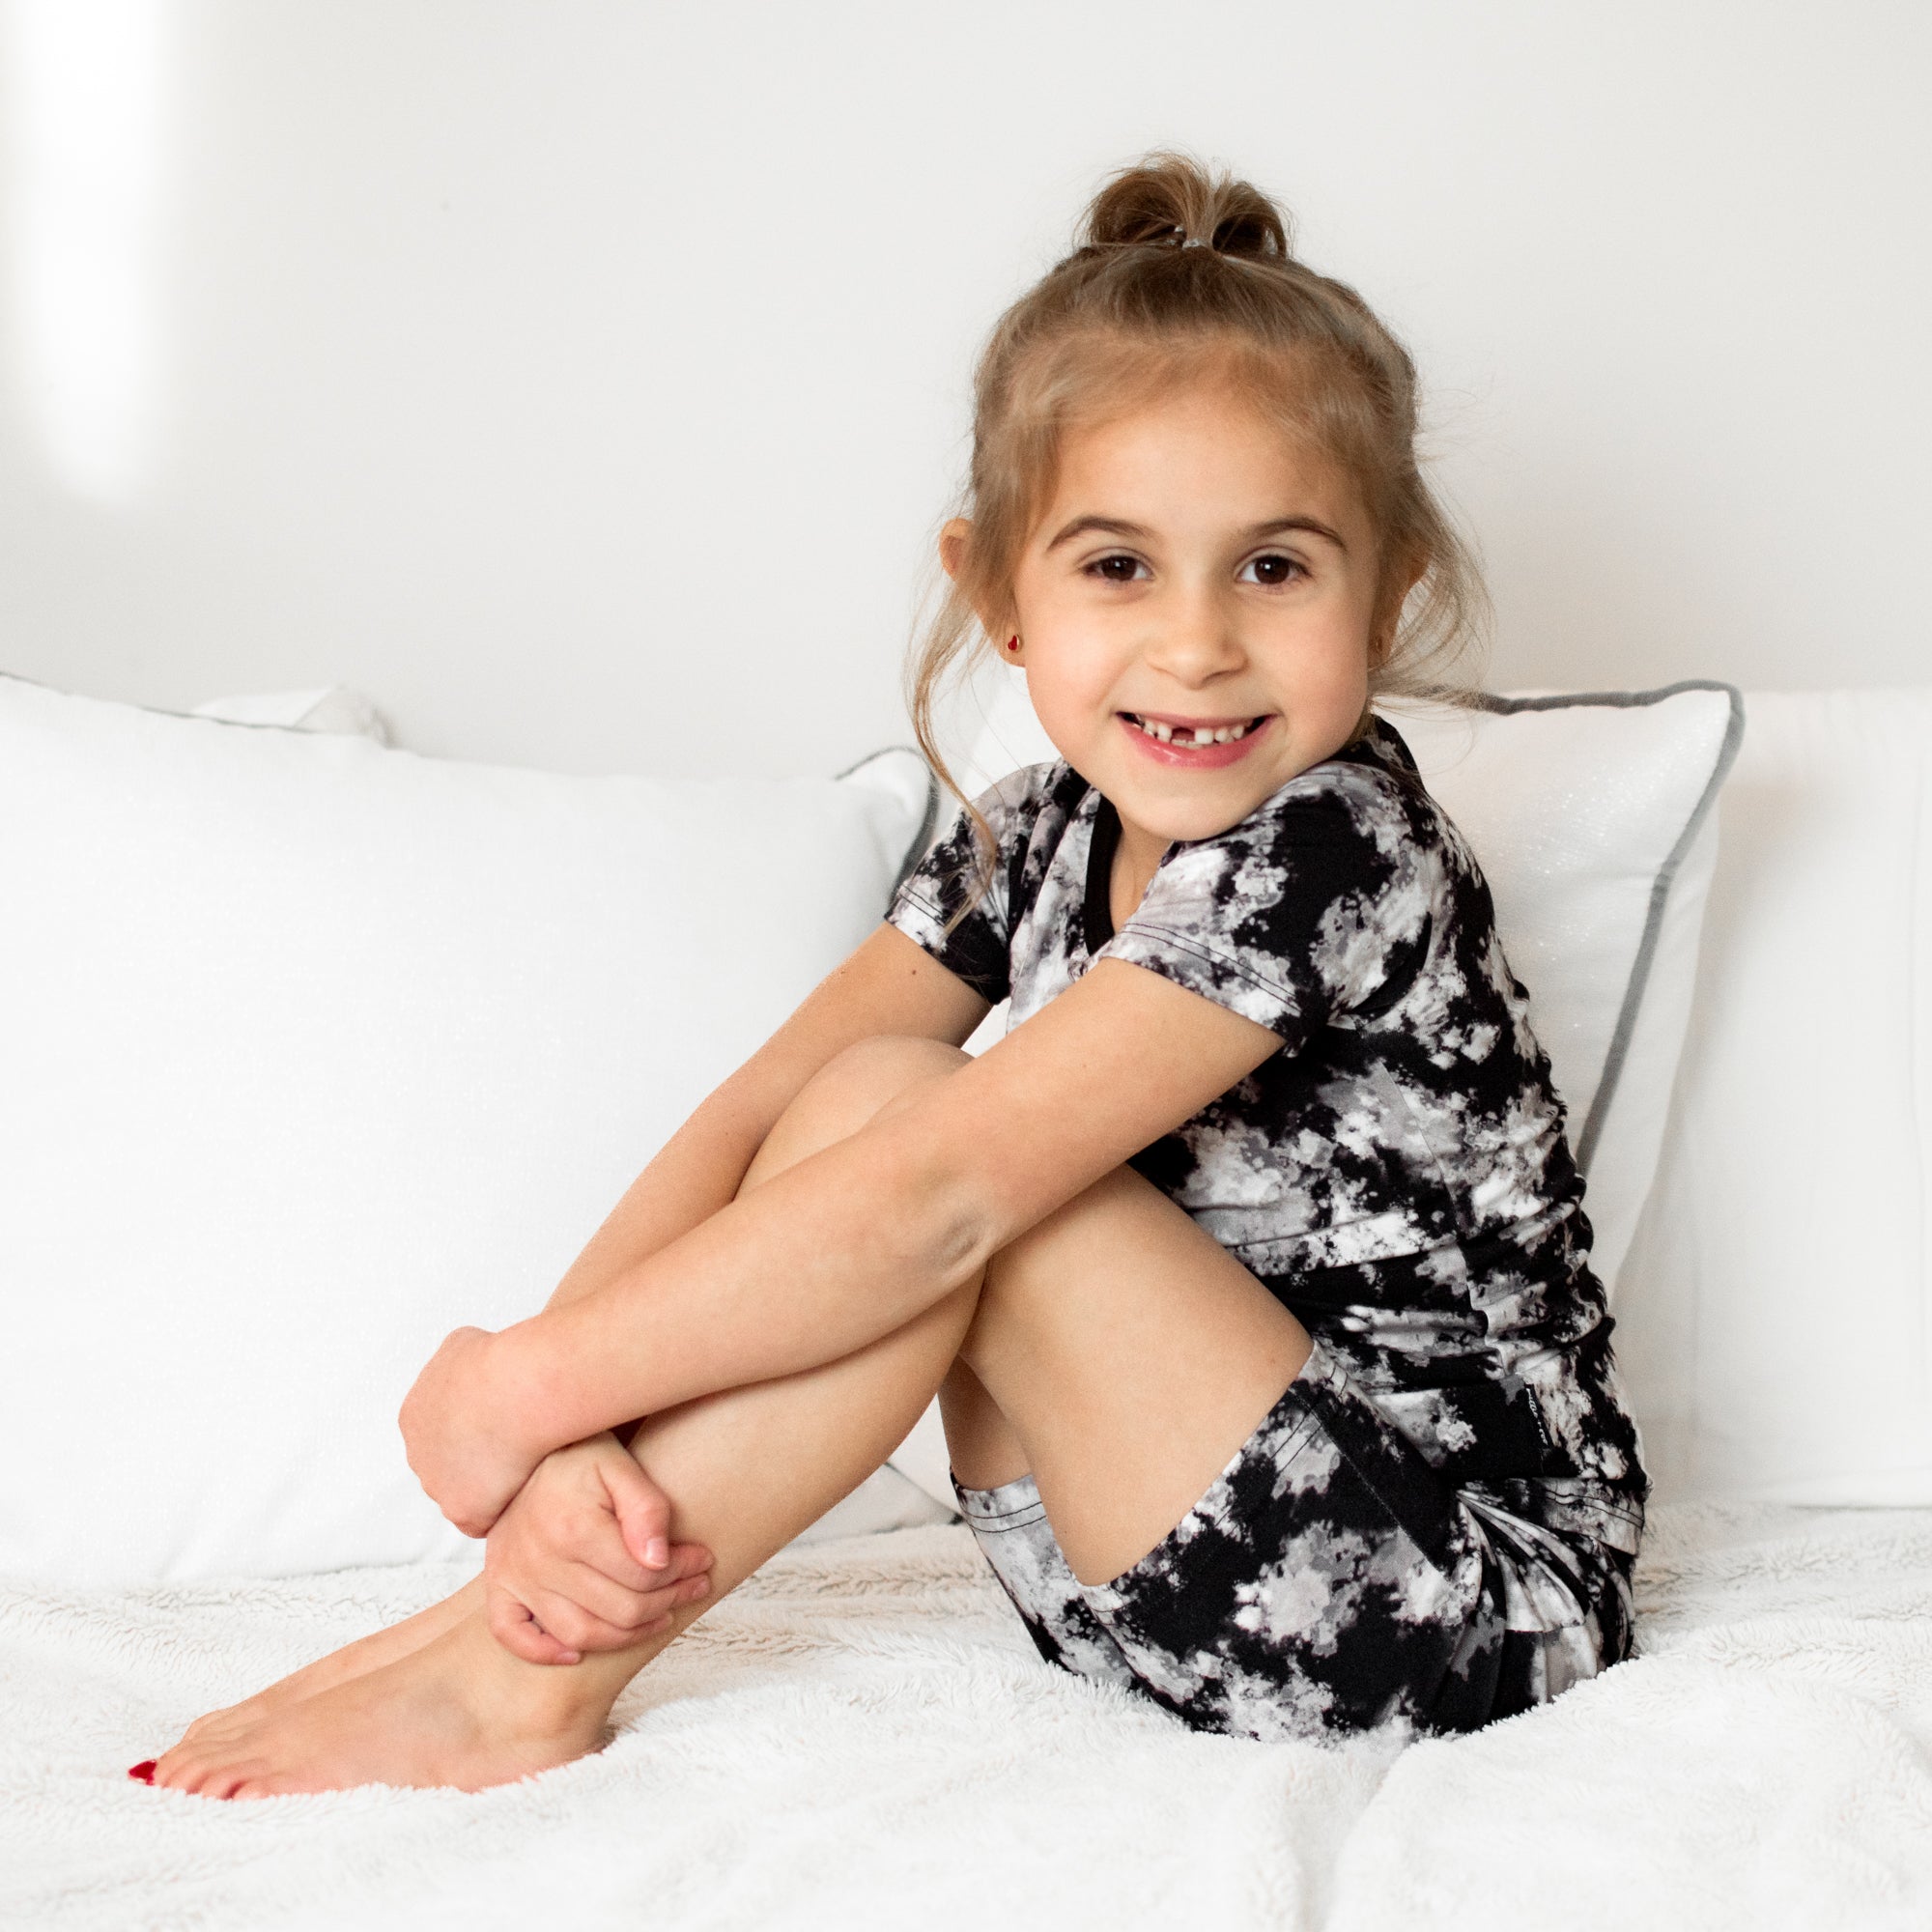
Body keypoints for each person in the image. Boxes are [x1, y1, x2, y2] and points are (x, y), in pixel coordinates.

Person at [137, 153, 1646, 1799]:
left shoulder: (1343, 844)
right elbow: (762, 1110)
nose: (1199, 642)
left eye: (1274, 568)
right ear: (1000, 593)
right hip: (1117, 1565)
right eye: (1118, 566)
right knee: (868, 1092)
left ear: (1390, 590)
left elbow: (942, 1200)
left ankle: (516, 1689)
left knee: (943, 1153)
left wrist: (523, 1383)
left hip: (1438, 1603)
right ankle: (523, 1631)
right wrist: (563, 1435)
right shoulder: (1031, 832)